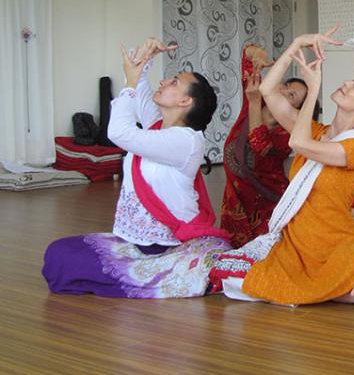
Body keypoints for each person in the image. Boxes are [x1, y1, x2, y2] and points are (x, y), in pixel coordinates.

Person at [209, 28, 354, 309]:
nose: (347, 84)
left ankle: (326, 287)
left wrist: (313, 91)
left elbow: (299, 143)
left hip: (333, 247)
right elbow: (267, 91)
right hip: (294, 246)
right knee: (227, 277)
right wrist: (297, 44)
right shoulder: (317, 131)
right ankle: (336, 290)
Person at [42, 38, 231, 298]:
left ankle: (149, 272)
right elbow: (140, 88)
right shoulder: (158, 126)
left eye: (174, 82)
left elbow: (119, 132)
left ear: (186, 101)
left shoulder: (186, 141)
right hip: (136, 242)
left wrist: (129, 83)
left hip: (165, 242)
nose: (164, 81)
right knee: (58, 253)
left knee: (67, 264)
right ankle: (134, 271)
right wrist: (145, 58)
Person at [220, 45, 319, 248]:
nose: (283, 91)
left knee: (263, 253)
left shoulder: (288, 133)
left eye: (292, 95)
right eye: (286, 85)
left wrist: (254, 103)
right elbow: (247, 55)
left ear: (296, 110)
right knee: (233, 253)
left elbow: (259, 145)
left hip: (266, 202)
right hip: (235, 200)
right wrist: (259, 55)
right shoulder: (255, 99)